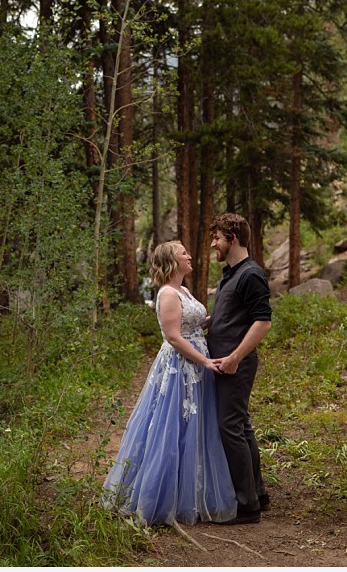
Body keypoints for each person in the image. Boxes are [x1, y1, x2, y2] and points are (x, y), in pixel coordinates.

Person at [103, 241, 237, 525]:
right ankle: (161, 497)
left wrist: (224, 316)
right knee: (172, 426)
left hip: (198, 363)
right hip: (180, 367)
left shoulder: (184, 291)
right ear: (172, 262)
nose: (190, 256)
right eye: (184, 254)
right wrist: (203, 361)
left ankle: (195, 492)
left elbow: (193, 324)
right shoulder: (166, 293)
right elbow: (175, 337)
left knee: (197, 427)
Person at [207, 213, 272, 525]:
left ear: (231, 238)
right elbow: (231, 315)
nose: (213, 243)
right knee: (241, 426)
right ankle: (257, 494)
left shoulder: (251, 275)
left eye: (217, 238)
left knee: (229, 427)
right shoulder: (230, 273)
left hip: (236, 365)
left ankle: (247, 507)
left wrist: (234, 358)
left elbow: (263, 322)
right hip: (223, 364)